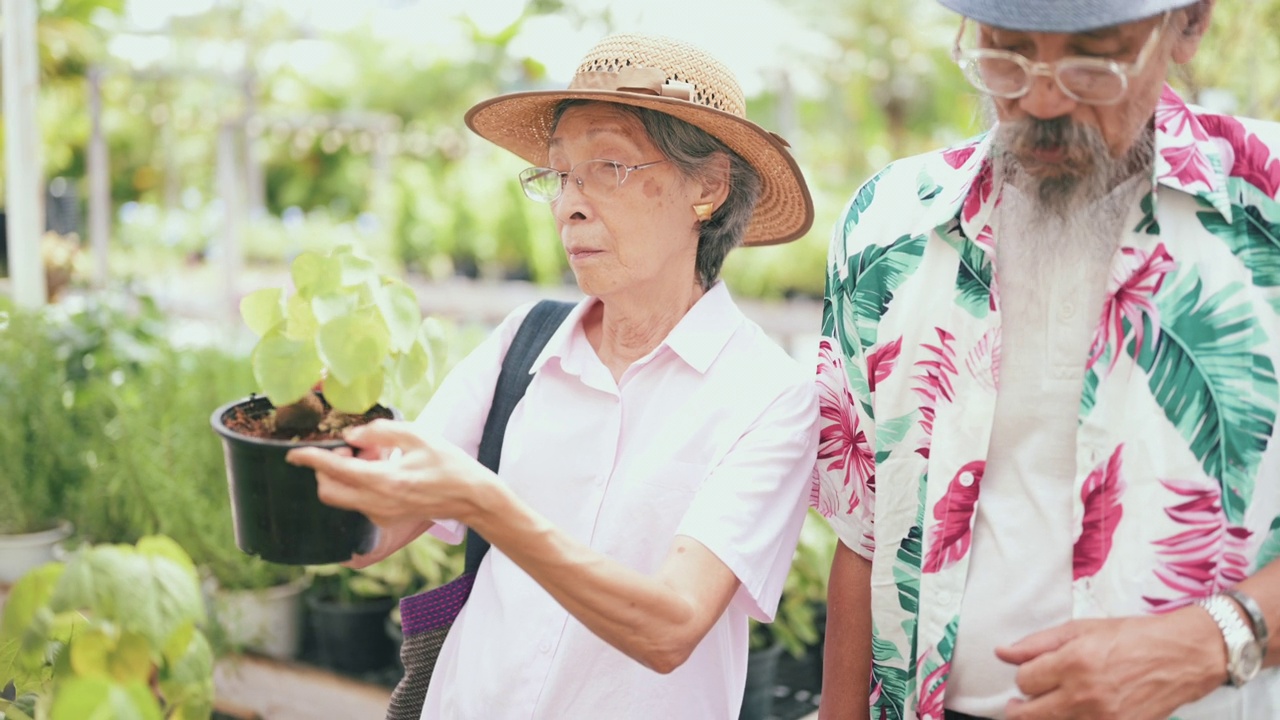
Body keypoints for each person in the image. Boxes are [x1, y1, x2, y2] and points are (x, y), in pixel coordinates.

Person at [287, 33, 819, 719]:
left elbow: (671, 626)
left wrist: (486, 503)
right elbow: (374, 533)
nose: (569, 203)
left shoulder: (769, 397)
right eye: (560, 173)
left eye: (609, 165)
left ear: (708, 187)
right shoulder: (525, 343)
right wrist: (316, 438)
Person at [813, 1, 1280, 719]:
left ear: (1187, 25)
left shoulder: (1269, 209)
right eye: (1007, 51)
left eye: (1094, 59)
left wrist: (1212, 639)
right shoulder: (888, 226)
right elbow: (863, 536)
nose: (1041, 98)